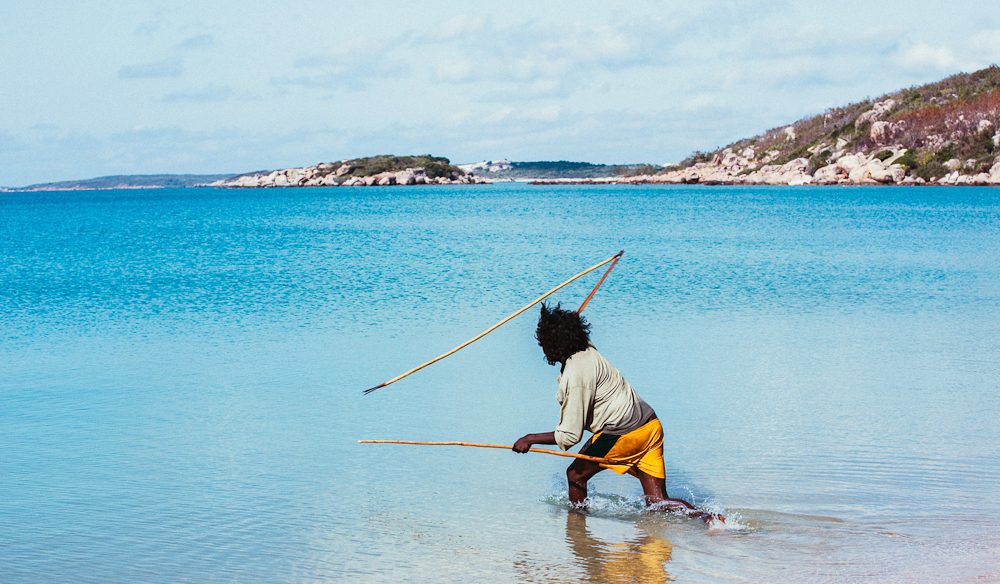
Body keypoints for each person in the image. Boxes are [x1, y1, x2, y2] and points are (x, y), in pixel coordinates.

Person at [512, 302, 721, 523]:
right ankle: (709, 519)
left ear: (554, 344)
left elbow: (570, 436)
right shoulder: (588, 349)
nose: (542, 349)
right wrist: (565, 322)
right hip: (650, 425)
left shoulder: (575, 377)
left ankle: (578, 529)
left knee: (575, 475)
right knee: (657, 502)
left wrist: (529, 439)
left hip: (620, 433)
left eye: (544, 343)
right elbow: (571, 333)